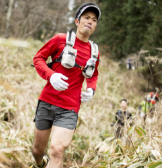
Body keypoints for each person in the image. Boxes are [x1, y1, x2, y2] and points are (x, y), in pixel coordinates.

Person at [30, 2, 101, 168]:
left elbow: (94, 74)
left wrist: (91, 89)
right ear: (77, 21)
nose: (90, 21)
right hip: (47, 102)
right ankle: (39, 164)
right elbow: (38, 59)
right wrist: (51, 75)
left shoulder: (94, 51)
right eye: (86, 18)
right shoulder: (60, 40)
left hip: (69, 108)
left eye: (94, 20)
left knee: (57, 149)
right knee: (38, 150)